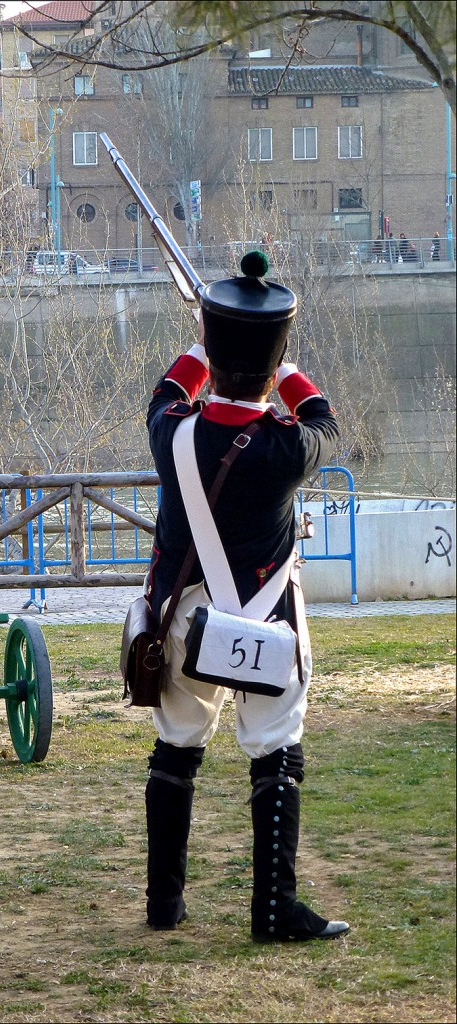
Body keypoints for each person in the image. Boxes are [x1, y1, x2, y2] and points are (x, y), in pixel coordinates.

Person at [143, 249, 350, 943]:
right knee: (275, 751)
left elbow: (170, 387)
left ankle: (163, 905)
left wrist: (202, 339)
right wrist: (281, 363)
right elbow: (321, 416)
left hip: (182, 620)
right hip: (266, 624)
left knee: (176, 749)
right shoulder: (288, 447)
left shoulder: (171, 430)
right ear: (275, 354)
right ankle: (273, 911)